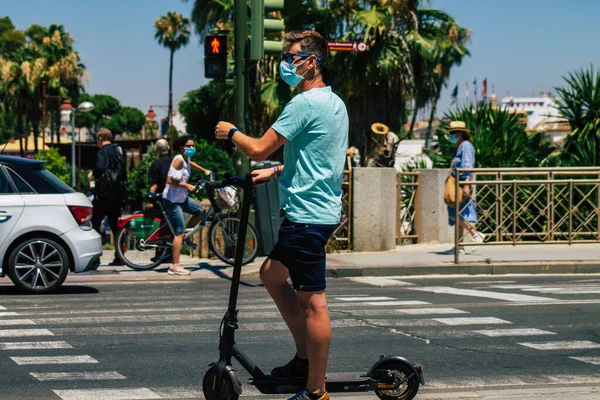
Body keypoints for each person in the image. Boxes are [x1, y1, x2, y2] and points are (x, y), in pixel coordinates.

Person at [215, 30, 348, 400]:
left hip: (307, 215)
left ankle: (315, 389)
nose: (286, 64)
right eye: (285, 57)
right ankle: (304, 359)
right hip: (317, 209)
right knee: (272, 274)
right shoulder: (333, 102)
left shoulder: (303, 104)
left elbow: (257, 148)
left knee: (313, 303)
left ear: (312, 62)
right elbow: (316, 157)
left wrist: (231, 132)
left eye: (292, 58)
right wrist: (275, 172)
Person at [162, 135, 212, 276]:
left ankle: (187, 237)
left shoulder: (185, 158)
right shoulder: (178, 160)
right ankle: (175, 265)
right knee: (179, 232)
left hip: (182, 197)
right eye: (189, 146)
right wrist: (187, 185)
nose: (192, 148)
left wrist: (204, 171)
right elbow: (169, 179)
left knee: (201, 211)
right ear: (181, 147)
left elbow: (191, 164)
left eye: (193, 146)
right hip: (172, 200)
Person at [445, 121, 485, 254]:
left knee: (455, 215)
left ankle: (475, 234)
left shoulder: (466, 146)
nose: (452, 135)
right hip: (456, 182)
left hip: (462, 183)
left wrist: (467, 184)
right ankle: (459, 246)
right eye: (451, 133)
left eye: (454, 133)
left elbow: (467, 166)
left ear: (461, 133)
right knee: (457, 213)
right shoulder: (457, 147)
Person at [88, 128, 126, 266]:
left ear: (99, 138)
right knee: (116, 226)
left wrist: (92, 174)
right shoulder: (119, 152)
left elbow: (99, 168)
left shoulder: (102, 152)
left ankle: (94, 257)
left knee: (95, 224)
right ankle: (120, 256)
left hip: (104, 194)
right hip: (117, 194)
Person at [148, 138, 172, 262]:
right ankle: (170, 253)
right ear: (168, 149)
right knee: (172, 226)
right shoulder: (175, 162)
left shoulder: (155, 164)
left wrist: (149, 201)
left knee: (160, 226)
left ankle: (160, 254)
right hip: (174, 197)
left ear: (156, 150)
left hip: (161, 199)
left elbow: (154, 185)